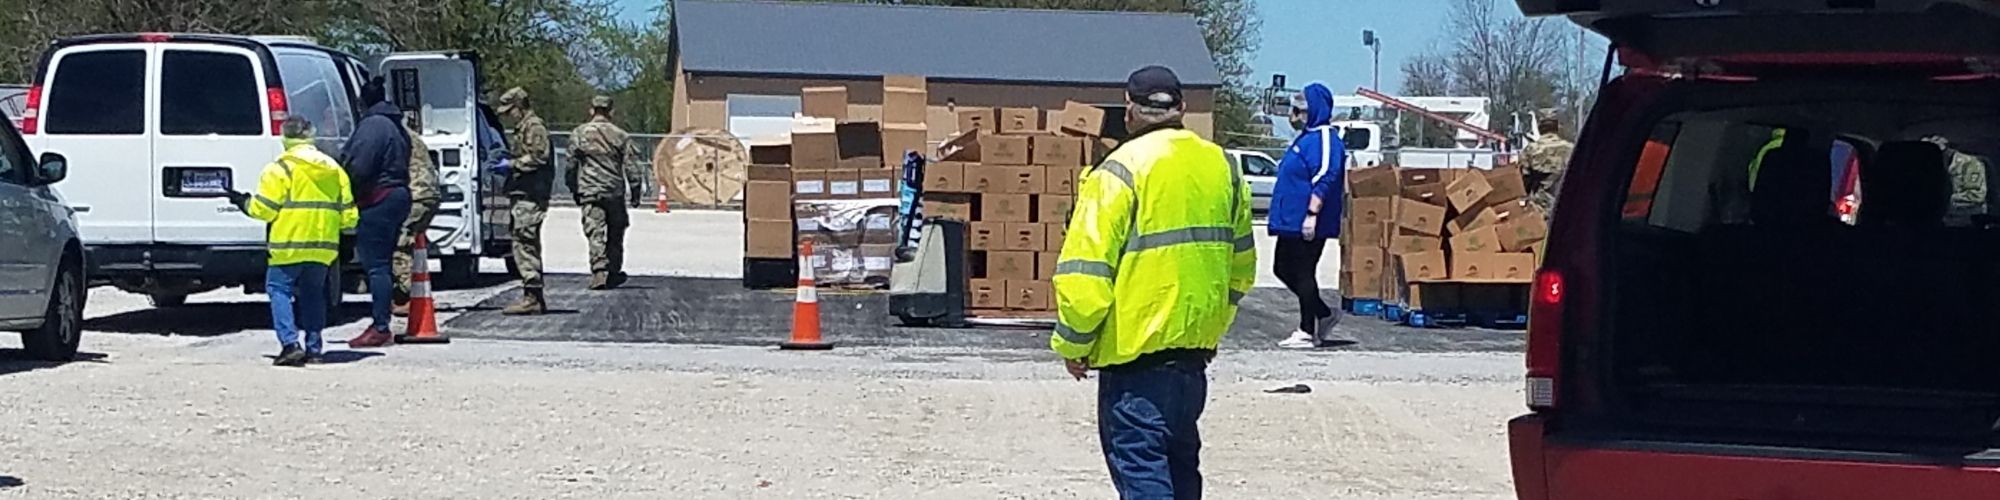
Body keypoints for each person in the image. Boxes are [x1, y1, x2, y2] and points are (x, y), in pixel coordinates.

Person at [1050, 65, 1255, 500]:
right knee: (1181, 472)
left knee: (1143, 473)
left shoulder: (1118, 171)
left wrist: (1074, 345)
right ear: (1182, 108)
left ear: (1129, 111)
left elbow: (1085, 274)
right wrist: (1211, 330)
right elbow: (1241, 269)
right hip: (1191, 363)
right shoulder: (1222, 167)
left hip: (1136, 362)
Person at [230, 117, 358, 366]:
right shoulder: (334, 170)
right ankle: (315, 349)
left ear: (284, 137)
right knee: (313, 295)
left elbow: (264, 210)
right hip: (323, 247)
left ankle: (290, 345)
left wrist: (243, 202)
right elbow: (350, 218)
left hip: (287, 246)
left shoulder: (279, 169)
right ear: (312, 136)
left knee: (279, 290)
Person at [1267, 83, 1346, 349]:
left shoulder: (1325, 139)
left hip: (1309, 221)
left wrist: (1312, 213)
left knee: (1303, 271)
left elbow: (1326, 175)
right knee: (1281, 268)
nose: (1293, 117)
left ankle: (1306, 329)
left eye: (1298, 111)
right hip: (1289, 221)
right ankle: (1323, 314)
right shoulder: (1305, 138)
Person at [339, 78, 414, 348]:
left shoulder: (373, 126)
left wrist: (346, 189)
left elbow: (359, 166)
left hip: (378, 198)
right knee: (383, 263)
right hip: (398, 195)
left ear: (363, 102)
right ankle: (381, 321)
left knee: (377, 266)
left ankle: (380, 326)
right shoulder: (395, 125)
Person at [494, 87, 553, 315]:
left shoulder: (534, 127)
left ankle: (533, 297)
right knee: (520, 242)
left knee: (525, 242)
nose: (510, 116)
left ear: (520, 106)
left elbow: (540, 156)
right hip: (523, 194)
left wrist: (513, 165)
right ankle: (531, 294)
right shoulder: (524, 128)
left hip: (531, 196)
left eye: (511, 111)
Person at [567, 95, 634, 290]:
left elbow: (571, 165)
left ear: (591, 110)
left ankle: (598, 270)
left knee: (595, 231)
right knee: (616, 231)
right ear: (611, 112)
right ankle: (613, 270)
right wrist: (635, 191)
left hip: (589, 190)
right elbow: (631, 167)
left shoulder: (579, 134)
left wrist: (573, 188)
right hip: (614, 191)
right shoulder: (621, 136)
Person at [392, 113, 440, 317]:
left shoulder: (399, 137)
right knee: (412, 243)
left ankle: (407, 296)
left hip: (417, 194)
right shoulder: (412, 136)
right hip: (429, 193)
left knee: (400, 245)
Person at [1521, 108, 1576, 220]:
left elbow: (1523, 182)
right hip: (1568, 209)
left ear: (1540, 127)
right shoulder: (1572, 149)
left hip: (1540, 211)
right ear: (1556, 127)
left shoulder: (1531, 149)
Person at [1930, 135, 1989, 226]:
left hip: (1967, 221)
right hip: (1939, 221)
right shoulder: (1928, 166)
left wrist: (1940, 203)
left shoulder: (1969, 163)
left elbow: (1975, 195)